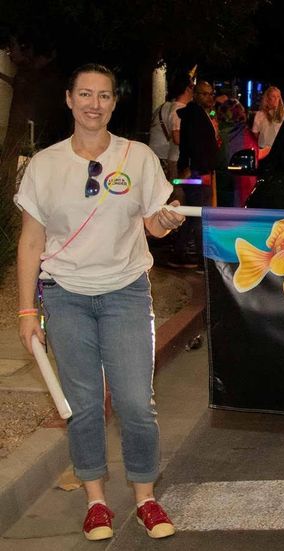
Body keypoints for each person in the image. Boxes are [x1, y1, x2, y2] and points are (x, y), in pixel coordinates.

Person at [14, 63, 185, 542]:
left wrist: (167, 222)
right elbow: (32, 241)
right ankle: (95, 501)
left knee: (136, 402)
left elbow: (152, 224)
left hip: (126, 292)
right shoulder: (44, 165)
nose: (94, 104)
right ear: (69, 99)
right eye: (85, 94)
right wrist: (27, 311)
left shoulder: (138, 157)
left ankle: (146, 497)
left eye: (104, 95)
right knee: (83, 405)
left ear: (113, 102)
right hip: (66, 298)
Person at [173, 81, 219, 267]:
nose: (209, 97)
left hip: (199, 170)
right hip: (197, 172)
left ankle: (182, 252)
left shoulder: (199, 114)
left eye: (211, 94)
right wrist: (200, 170)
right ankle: (199, 256)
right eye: (205, 94)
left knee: (195, 214)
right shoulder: (194, 115)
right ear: (196, 95)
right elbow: (195, 146)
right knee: (199, 214)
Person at [148, 77, 191, 180]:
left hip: (158, 153)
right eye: (192, 87)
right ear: (186, 89)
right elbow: (177, 137)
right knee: (174, 188)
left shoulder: (164, 107)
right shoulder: (178, 109)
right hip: (164, 153)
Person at [252, 85, 284, 153]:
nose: (276, 99)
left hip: (280, 149)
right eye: (273, 96)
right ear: (267, 98)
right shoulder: (260, 114)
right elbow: (255, 134)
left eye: (278, 96)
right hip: (264, 149)